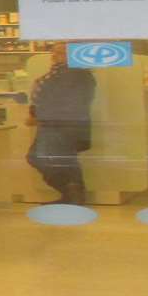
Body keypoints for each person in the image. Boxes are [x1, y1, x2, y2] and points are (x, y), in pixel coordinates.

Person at [27, 42, 97, 205]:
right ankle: (71, 196)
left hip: (62, 125)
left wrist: (38, 114)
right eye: (54, 52)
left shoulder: (78, 74)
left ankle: (73, 196)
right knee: (56, 159)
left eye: (61, 53)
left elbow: (67, 101)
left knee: (49, 158)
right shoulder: (60, 73)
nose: (55, 56)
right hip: (55, 124)